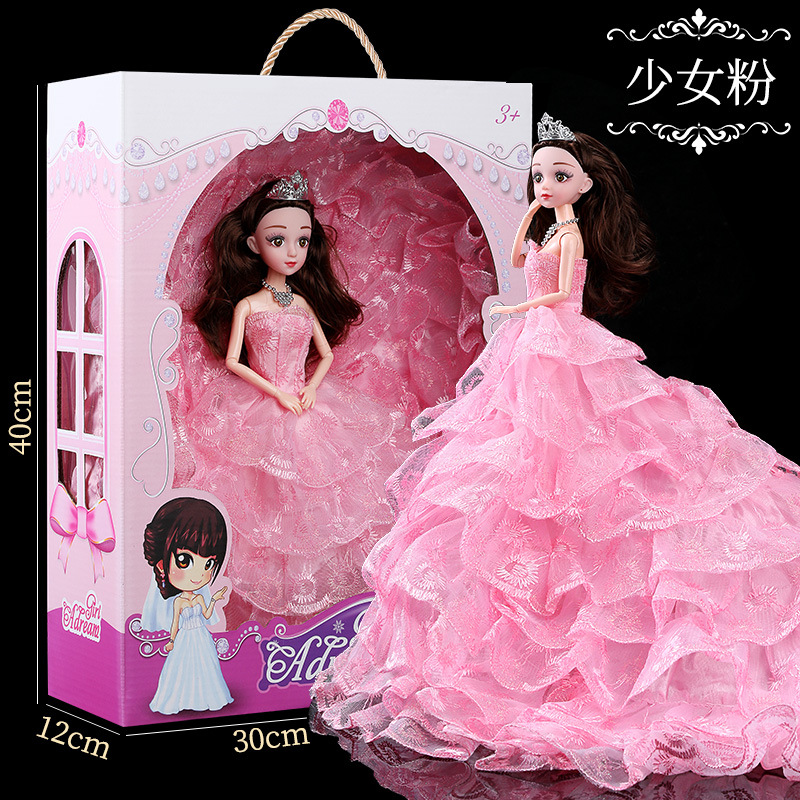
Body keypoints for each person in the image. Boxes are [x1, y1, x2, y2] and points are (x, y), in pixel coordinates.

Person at [311, 115, 800, 789]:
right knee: (515, 453)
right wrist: (527, 218)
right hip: (533, 344)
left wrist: (516, 312)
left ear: (587, 185)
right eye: (539, 175)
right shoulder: (548, 226)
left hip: (558, 337)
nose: (546, 184)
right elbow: (519, 260)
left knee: (574, 445)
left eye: (559, 175)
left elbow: (551, 293)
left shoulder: (571, 235)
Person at [185, 173, 408, 627]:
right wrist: (277, 392)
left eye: (302, 241)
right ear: (253, 244)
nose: (292, 251)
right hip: (261, 405)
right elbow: (234, 362)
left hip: (307, 401)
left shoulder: (303, 304)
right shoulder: (248, 305)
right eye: (278, 239)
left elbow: (326, 354)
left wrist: (308, 388)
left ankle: (323, 613)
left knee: (319, 492)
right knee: (266, 497)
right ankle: (271, 619)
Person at [142, 497, 233, 715]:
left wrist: (215, 599)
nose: (198, 575)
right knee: (181, 667)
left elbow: (207, 613)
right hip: (184, 637)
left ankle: (204, 697)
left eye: (209, 564)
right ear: (162, 564)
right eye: (185, 560)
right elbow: (175, 623)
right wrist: (172, 641)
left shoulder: (198, 598)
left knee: (205, 666)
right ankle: (180, 698)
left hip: (201, 635)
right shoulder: (179, 601)